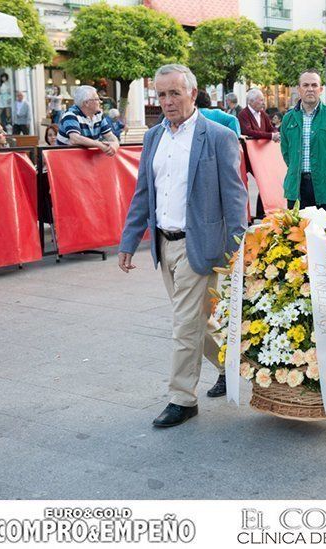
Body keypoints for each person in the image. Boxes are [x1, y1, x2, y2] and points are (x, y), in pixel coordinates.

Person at [118, 64, 248, 428]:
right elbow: (143, 192)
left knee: (183, 325)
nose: (167, 101)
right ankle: (229, 363)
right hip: (164, 245)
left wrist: (237, 248)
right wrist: (130, 240)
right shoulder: (153, 138)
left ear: (193, 93)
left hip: (201, 246)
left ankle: (182, 398)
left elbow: (235, 199)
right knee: (198, 322)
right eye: (160, 94)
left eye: (174, 93)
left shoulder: (219, 137)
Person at [280, 68, 326, 232]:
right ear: (299, 89)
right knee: (296, 235)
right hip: (297, 186)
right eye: (305, 85)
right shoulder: (288, 119)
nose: (310, 89)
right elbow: (286, 152)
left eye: (314, 85)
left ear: (321, 89)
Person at [238, 88, 279, 219]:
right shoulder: (243, 114)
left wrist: (274, 133)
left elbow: (269, 128)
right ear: (251, 101)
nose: (263, 102)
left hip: (261, 155)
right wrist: (270, 136)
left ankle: (262, 212)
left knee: (265, 181)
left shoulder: (263, 114)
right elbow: (249, 132)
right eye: (260, 99)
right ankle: (247, 215)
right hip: (248, 155)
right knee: (245, 184)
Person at [56, 85, 120, 156]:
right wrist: (100, 145)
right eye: (97, 99)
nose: (100, 101)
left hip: (84, 160)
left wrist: (115, 144)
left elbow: (110, 135)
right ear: (86, 103)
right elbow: (75, 139)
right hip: (66, 159)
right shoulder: (70, 115)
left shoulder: (98, 114)